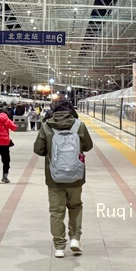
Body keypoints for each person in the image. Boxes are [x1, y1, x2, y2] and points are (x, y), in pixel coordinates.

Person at [33, 98, 93, 258]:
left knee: (56, 211)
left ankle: (59, 246)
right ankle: (75, 238)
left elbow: (38, 150)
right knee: (75, 206)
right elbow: (88, 146)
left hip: (54, 177)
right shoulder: (79, 125)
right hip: (76, 176)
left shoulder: (46, 126)